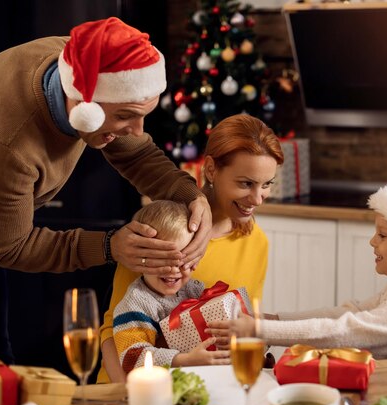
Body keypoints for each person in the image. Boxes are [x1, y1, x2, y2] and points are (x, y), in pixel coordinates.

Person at [0, 17, 212, 364]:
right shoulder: (6, 146)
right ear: (84, 106)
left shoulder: (89, 61)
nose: (137, 130)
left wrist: (192, 195)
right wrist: (111, 245)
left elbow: (138, 152)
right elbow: (10, 247)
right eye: (126, 116)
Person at [215, 176, 387, 405]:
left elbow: (346, 330)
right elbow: (351, 311)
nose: (372, 241)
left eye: (383, 235)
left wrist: (260, 331)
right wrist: (275, 320)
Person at [98, 113, 284, 382]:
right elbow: (111, 332)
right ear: (210, 169)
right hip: (133, 388)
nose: (258, 198)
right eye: (246, 183)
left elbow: (242, 328)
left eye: (267, 184)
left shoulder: (256, 242)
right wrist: (134, 399)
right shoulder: (163, 227)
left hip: (199, 392)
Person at [113, 200, 229, 371]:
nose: (173, 269)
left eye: (183, 259)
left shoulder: (194, 290)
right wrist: (184, 360)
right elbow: (132, 358)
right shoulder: (135, 304)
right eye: (162, 259)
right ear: (140, 257)